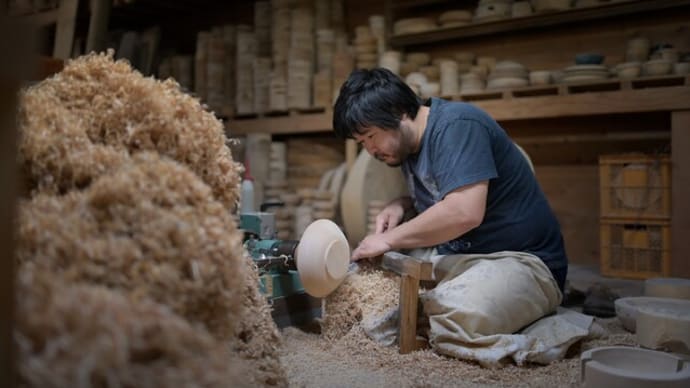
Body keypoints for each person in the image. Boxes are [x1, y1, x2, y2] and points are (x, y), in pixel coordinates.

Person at [332, 68, 573, 366]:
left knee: (451, 317)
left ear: (398, 113)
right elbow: (443, 193)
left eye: (371, 136)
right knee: (372, 306)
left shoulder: (457, 125)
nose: (370, 150)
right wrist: (401, 203)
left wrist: (387, 239)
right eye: (362, 142)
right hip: (459, 256)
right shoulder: (407, 148)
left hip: (523, 261)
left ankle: (556, 327)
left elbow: (464, 211)